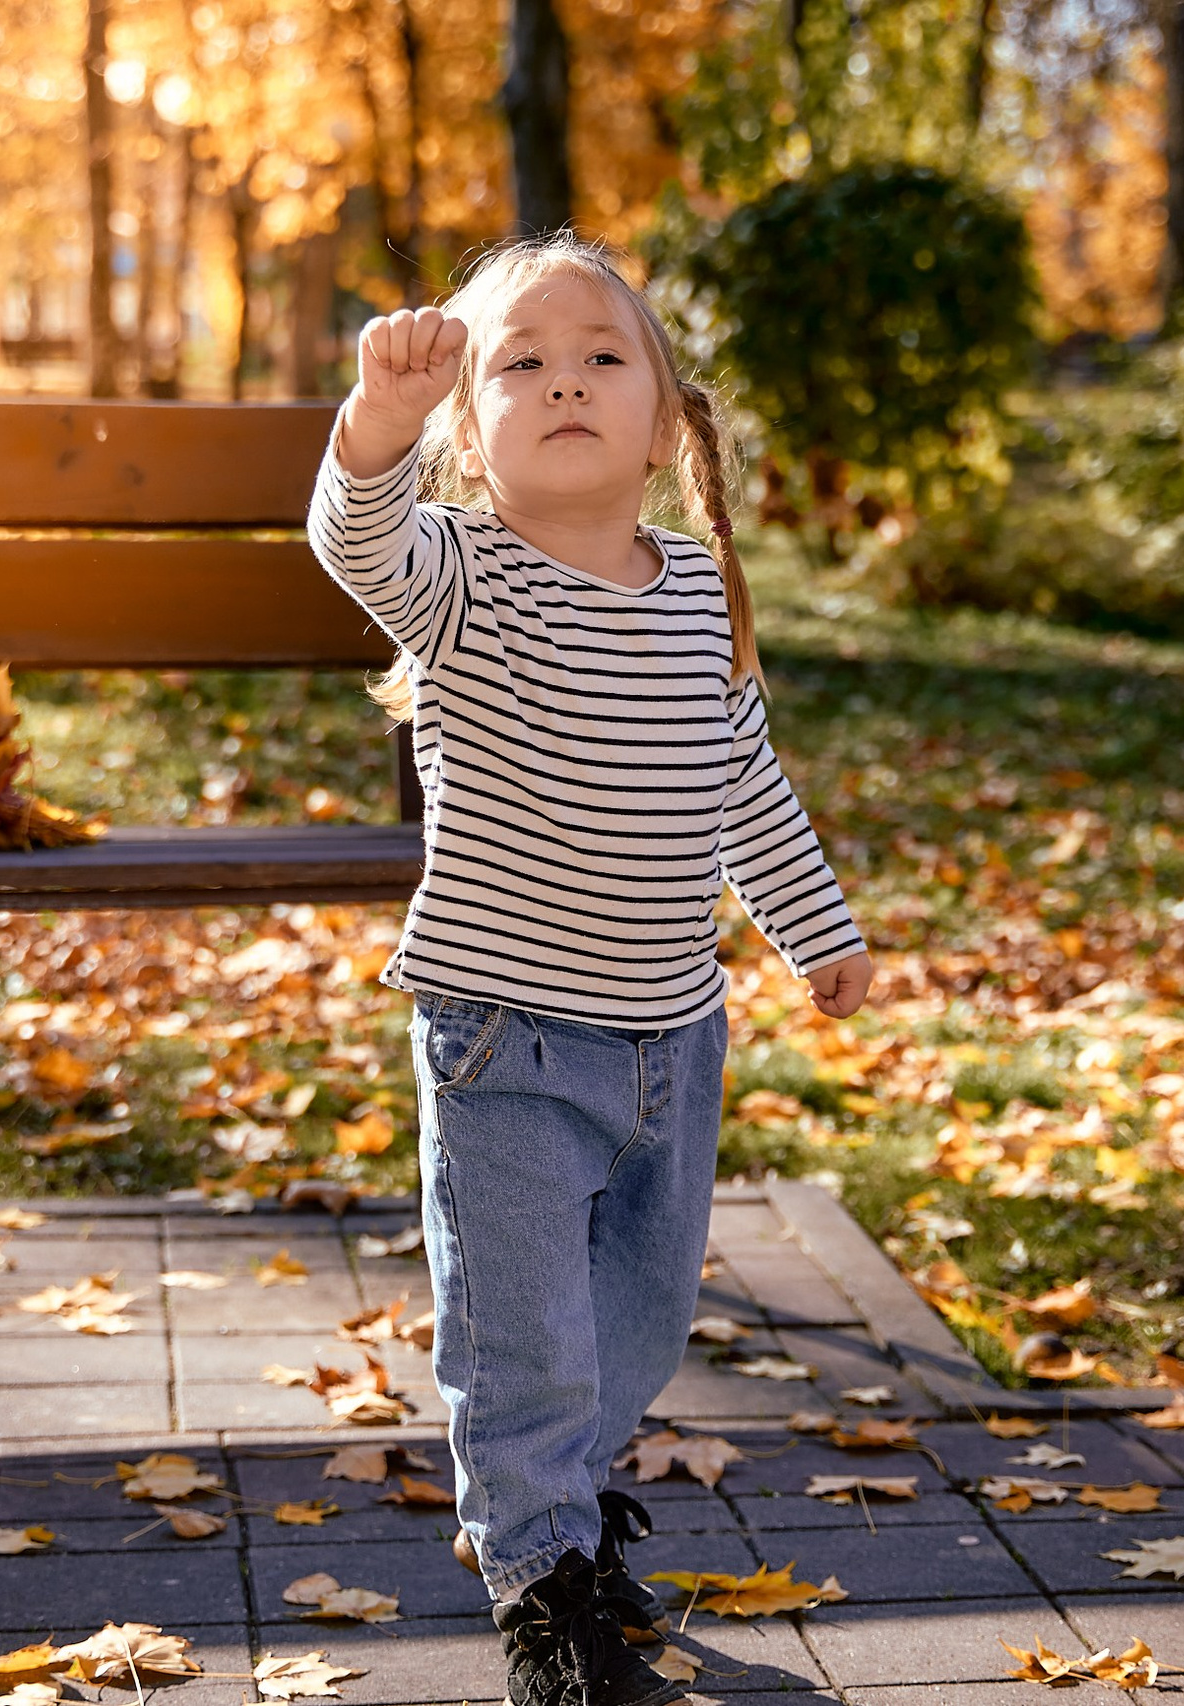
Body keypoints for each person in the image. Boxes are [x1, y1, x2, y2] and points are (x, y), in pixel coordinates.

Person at [305, 233, 873, 1706]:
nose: (566, 379)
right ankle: (543, 1581)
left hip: (670, 1039)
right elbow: (354, 541)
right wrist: (373, 422)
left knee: (640, 1310)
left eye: (602, 356)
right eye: (523, 364)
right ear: (473, 441)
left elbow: (740, 779)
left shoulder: (693, 593)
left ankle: (563, 1495)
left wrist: (815, 929)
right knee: (527, 1333)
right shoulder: (464, 579)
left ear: (667, 417)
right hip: (506, 1040)